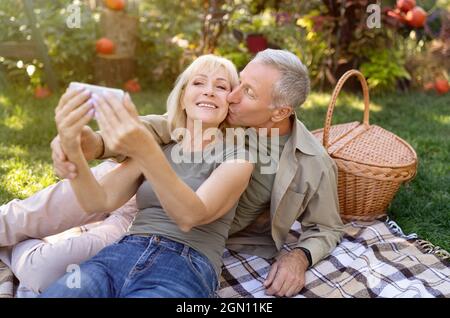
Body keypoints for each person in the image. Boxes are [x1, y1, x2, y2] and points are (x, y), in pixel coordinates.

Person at [1, 49, 344, 298]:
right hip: (145, 185)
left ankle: (18, 250)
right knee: (42, 209)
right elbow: (148, 130)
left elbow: (327, 226)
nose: (232, 95)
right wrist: (78, 144)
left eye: (246, 92)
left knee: (44, 272)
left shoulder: (310, 162)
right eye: (237, 83)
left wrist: (299, 256)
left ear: (279, 111)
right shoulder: (211, 116)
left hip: (182, 224)